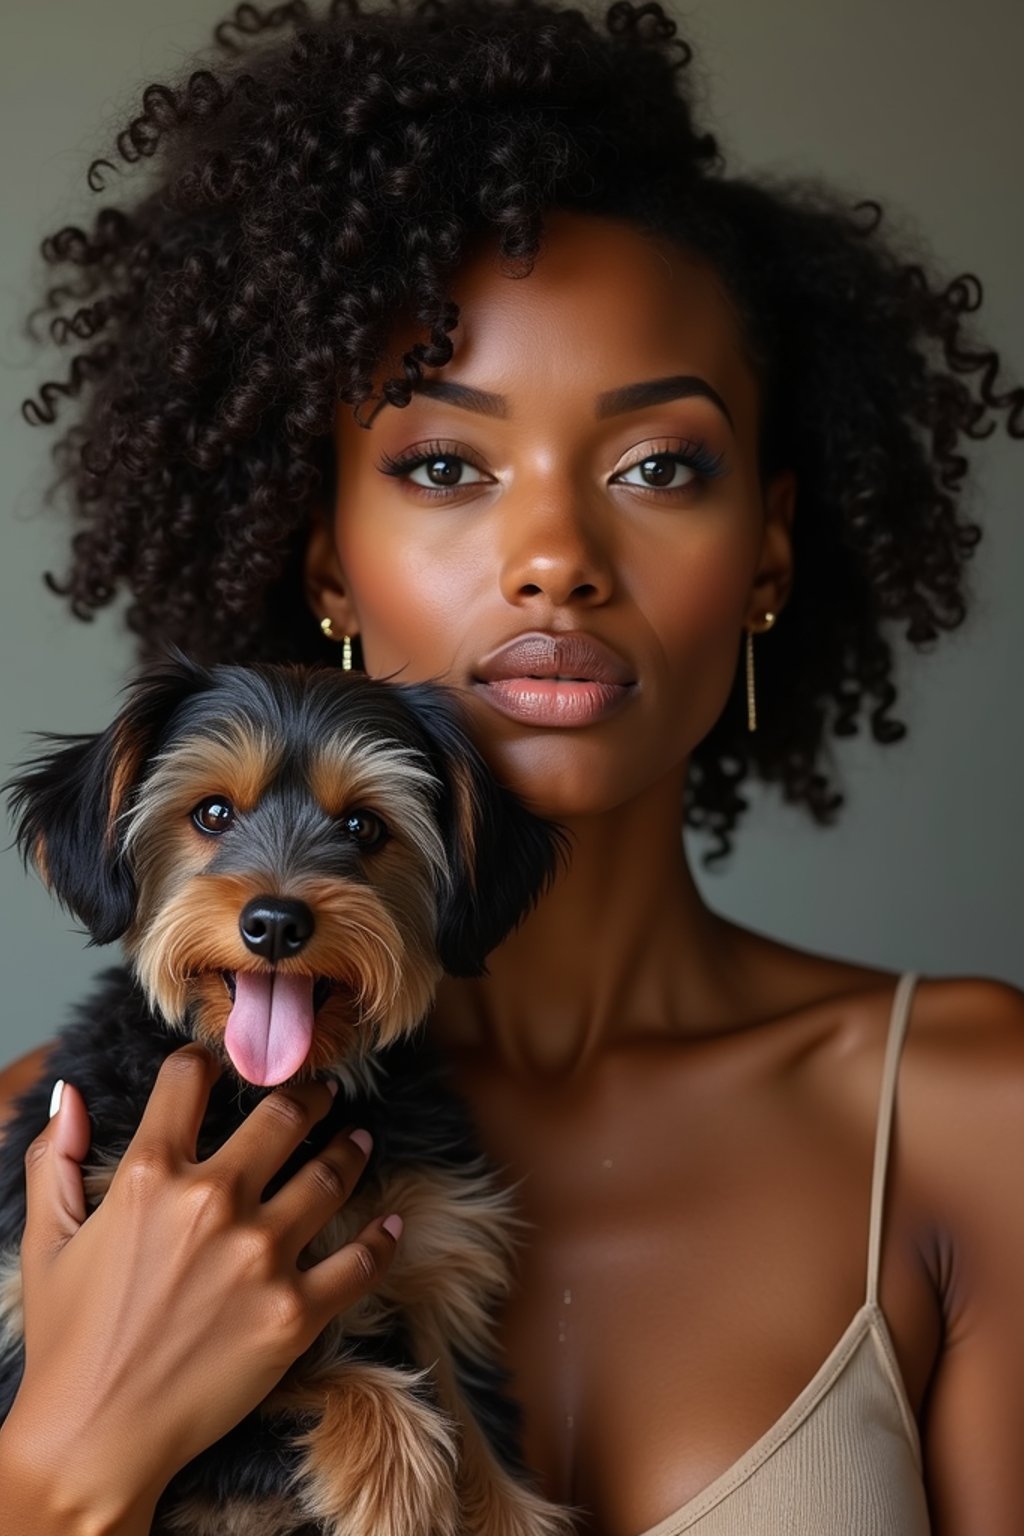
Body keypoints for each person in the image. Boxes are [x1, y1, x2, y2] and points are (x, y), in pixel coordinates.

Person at [0, 0, 1022, 1530]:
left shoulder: (970, 1111)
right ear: (328, 565)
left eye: (657, 466)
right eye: (444, 465)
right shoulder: (63, 1154)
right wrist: (59, 1478)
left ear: (769, 551)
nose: (554, 560)